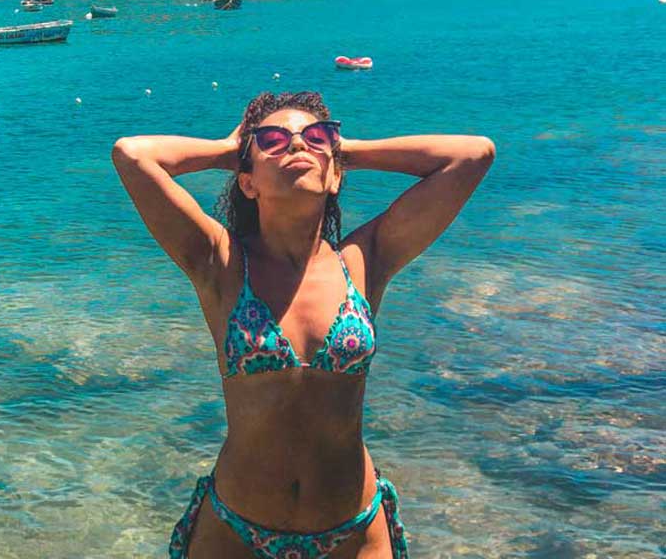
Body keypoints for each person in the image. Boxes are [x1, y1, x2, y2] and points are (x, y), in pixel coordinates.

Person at [111, 91, 494, 559]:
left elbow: (473, 155)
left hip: (353, 532)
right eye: (272, 140)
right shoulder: (222, 264)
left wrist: (341, 151)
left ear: (335, 176)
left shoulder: (365, 260)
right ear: (247, 182)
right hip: (235, 532)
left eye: (314, 137)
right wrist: (226, 150)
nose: (296, 146)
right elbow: (132, 155)